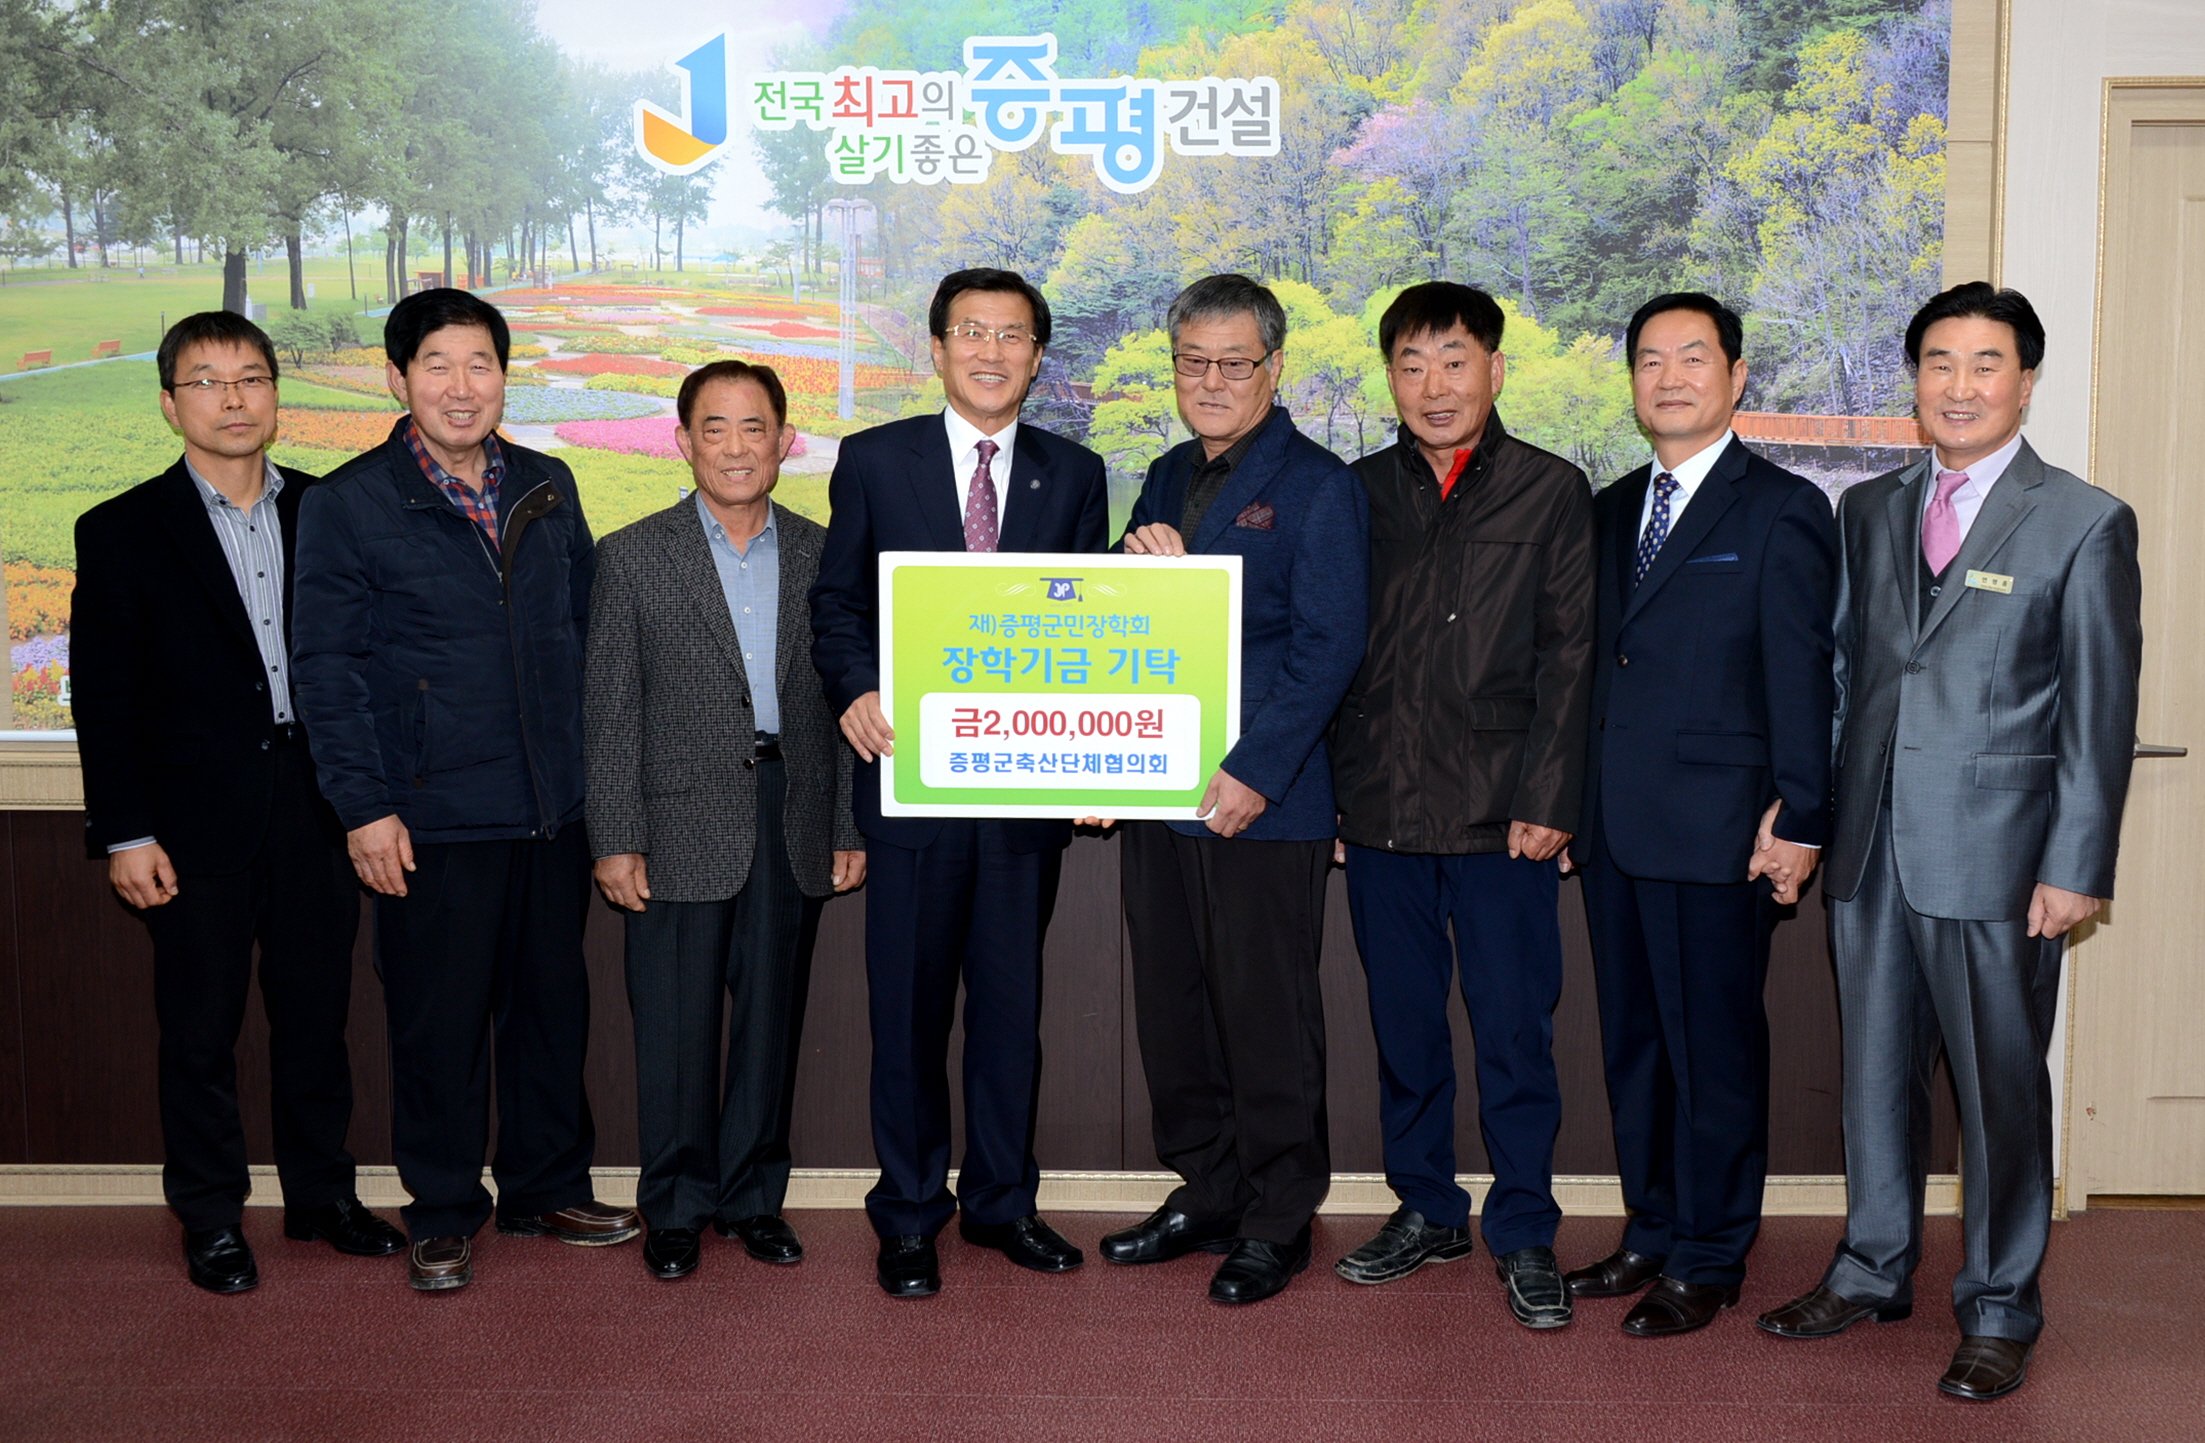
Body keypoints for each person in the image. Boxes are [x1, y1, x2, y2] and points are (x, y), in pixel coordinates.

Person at [1757, 284, 2141, 1402]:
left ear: (2026, 380)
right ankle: (1874, 1266)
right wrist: (1813, 822)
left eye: (1985, 365)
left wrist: (2078, 861)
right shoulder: (1868, 510)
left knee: (1999, 1088)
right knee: (1872, 1082)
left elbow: (2098, 709)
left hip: (2002, 862)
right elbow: (1843, 677)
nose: (1959, 386)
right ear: (1913, 379)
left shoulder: (2083, 519)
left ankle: (2001, 1305)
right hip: (1873, 850)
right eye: (1938, 362)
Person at [292, 288, 638, 1292]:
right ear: (397, 379)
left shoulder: (546, 481)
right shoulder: (349, 502)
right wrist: (361, 805)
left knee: (549, 1011)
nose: (461, 386)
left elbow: (580, 637)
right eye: (436, 365)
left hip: (550, 811)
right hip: (429, 814)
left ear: (504, 374)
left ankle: (547, 1184)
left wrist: (592, 788)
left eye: (480, 363)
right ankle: (443, 1209)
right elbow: (327, 669)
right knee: (437, 1023)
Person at [71, 312, 403, 1293]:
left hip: (317, 807)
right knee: (201, 1030)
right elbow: (107, 696)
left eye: (251, 378)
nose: (233, 399)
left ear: (274, 394)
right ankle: (212, 1215)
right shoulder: (124, 530)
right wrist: (126, 831)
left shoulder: (328, 508)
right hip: (189, 823)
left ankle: (322, 1197)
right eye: (208, 382)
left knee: (316, 1017)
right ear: (171, 402)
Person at [810, 268, 1110, 1298]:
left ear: (1037, 354)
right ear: (938, 348)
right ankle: (906, 1215)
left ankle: (1001, 1205)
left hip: (1022, 799)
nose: (991, 351)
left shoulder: (1074, 474)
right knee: (906, 1013)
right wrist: (853, 686)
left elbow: (1088, 633)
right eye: (971, 332)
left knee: (1007, 1015)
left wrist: (1098, 752)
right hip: (911, 790)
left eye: (1013, 335)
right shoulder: (874, 460)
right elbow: (837, 605)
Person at [1564, 292, 1837, 1336]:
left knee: (1712, 1047)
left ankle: (1714, 1253)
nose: (1669, 377)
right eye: (1649, 361)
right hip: (1616, 829)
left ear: (1734, 374)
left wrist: (1803, 817)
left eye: (1692, 357)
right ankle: (1654, 1228)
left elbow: (1804, 677)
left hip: (1724, 830)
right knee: (1635, 1042)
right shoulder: (1609, 505)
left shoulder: (1782, 507)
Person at [1328, 282, 1594, 1328]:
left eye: (1453, 359)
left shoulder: (1550, 490)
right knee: (1405, 1032)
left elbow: (1572, 658)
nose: (1433, 385)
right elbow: (1336, 649)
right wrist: (1344, 798)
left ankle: (1524, 1229)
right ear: (1388, 375)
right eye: (1410, 363)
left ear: (1494, 368)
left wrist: (1550, 797)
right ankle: (1426, 1208)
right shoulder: (1357, 492)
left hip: (1505, 824)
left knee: (1514, 1039)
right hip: (1382, 815)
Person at [1102, 274, 1369, 1305]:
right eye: (1191, 362)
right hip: (1161, 790)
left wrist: (1258, 771)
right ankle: (1206, 1189)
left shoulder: (1317, 484)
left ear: (1273, 366)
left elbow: (1331, 645)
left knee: (1265, 1015)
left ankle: (1276, 1214)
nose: (1210, 381)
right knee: (1175, 1011)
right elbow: (1124, 624)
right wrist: (1133, 565)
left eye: (1233, 363)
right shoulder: (1166, 475)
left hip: (1267, 801)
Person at [585, 360, 866, 1282]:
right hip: (673, 823)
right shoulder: (630, 554)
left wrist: (847, 824)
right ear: (684, 441)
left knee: (769, 1025)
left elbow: (846, 703)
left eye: (756, 429)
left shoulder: (827, 552)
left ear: (785, 443)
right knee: (671, 1028)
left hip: (791, 812)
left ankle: (752, 1198)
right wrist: (615, 834)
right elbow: (610, 708)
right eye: (716, 428)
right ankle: (673, 1204)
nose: (737, 447)